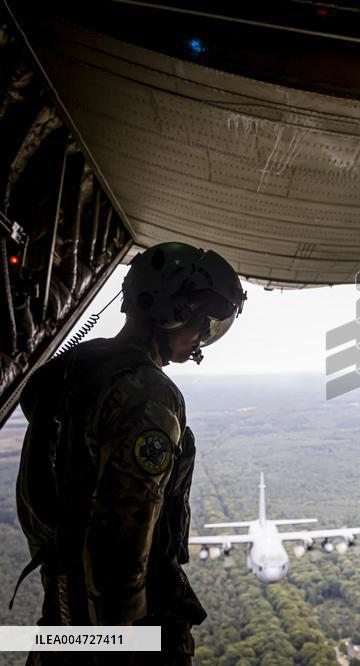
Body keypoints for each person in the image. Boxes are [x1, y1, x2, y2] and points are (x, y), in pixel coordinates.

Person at [13, 242, 246, 665]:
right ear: (172, 311)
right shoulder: (148, 397)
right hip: (117, 630)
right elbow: (119, 547)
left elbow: (36, 500)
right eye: (203, 323)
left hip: (64, 610)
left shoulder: (75, 369)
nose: (202, 339)